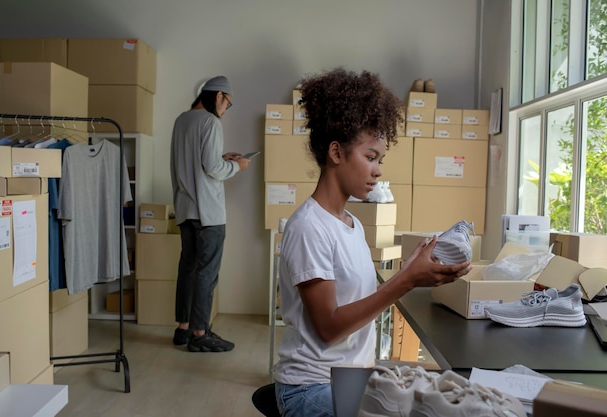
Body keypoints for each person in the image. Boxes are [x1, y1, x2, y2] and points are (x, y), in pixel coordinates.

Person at [273, 68, 472, 417]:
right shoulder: (308, 228)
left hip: (351, 379)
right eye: (370, 157)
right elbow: (330, 328)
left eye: (380, 159)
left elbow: (359, 301)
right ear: (336, 153)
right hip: (311, 387)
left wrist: (411, 268)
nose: (378, 171)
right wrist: (406, 281)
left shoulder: (350, 224)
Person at [170, 75, 251, 352]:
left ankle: (183, 328)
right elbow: (212, 170)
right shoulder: (210, 122)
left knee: (188, 269)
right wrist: (237, 166)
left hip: (185, 209)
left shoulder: (181, 120)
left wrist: (222, 158)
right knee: (207, 273)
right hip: (209, 213)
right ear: (219, 97)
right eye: (228, 104)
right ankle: (200, 334)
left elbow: (192, 162)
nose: (226, 110)